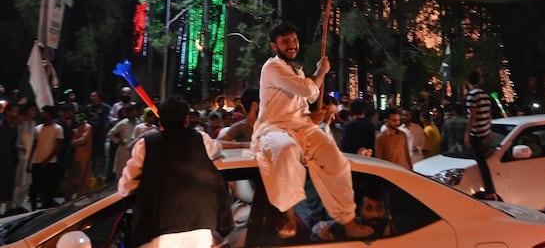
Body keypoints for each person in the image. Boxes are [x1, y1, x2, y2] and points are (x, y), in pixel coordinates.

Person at [250, 21, 373, 240]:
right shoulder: (272, 67)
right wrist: (321, 71)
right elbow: (307, 88)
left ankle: (348, 221)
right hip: (274, 130)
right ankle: (288, 214)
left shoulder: (295, 69)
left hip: (302, 128)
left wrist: (314, 110)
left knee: (336, 160)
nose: (292, 45)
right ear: (274, 46)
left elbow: (311, 96)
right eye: (286, 42)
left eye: (294, 40)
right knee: (286, 151)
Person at [118, 96, 232, 247]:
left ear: (160, 121)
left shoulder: (145, 145)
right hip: (201, 232)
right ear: (186, 119)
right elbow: (217, 149)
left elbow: (125, 187)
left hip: (157, 234)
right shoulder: (201, 140)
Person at [311, 184, 395, 241]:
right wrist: (329, 239)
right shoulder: (351, 225)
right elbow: (319, 228)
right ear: (360, 211)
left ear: (387, 210)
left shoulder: (396, 231)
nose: (374, 214)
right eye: (369, 209)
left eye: (379, 209)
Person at [464, 71, 499, 200]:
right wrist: (488, 130)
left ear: (469, 81)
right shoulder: (485, 95)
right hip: (484, 131)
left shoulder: (472, 95)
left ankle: (490, 190)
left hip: (476, 133)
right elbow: (488, 114)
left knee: (481, 162)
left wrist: (467, 134)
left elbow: (472, 115)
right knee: (483, 159)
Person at [28, 105, 64, 209]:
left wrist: (47, 160)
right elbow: (34, 145)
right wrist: (30, 161)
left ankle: (46, 207)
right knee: (35, 187)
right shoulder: (37, 128)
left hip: (50, 163)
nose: (41, 114)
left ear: (49, 114)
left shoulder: (57, 128)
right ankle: (33, 208)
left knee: (48, 187)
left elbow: (58, 147)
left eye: (44, 112)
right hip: (37, 161)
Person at [65, 112, 92, 199]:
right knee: (74, 176)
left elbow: (83, 140)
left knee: (83, 176)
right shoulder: (75, 129)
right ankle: (70, 196)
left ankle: (81, 195)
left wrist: (73, 142)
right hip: (75, 154)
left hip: (84, 154)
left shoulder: (87, 127)